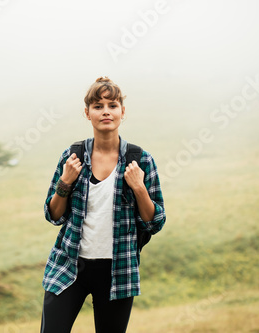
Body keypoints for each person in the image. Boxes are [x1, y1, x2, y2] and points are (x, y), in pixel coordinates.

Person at [40, 76, 166, 333]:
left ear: (122, 112)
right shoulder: (72, 156)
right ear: (87, 113)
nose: (106, 111)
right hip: (69, 265)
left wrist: (139, 188)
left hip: (118, 269)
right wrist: (65, 182)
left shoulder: (140, 160)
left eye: (112, 105)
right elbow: (53, 215)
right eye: (98, 106)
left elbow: (154, 222)